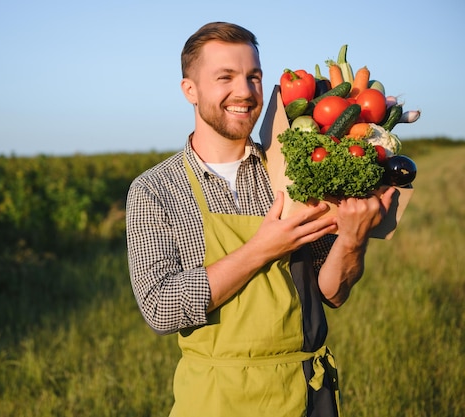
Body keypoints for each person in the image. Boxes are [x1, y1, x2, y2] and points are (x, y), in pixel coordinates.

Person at [126, 22, 394, 417]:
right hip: (217, 399)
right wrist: (262, 249)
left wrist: (353, 240)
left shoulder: (293, 170)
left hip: (305, 394)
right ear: (190, 90)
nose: (245, 92)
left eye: (254, 77)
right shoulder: (156, 190)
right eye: (225, 77)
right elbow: (160, 307)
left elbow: (332, 293)